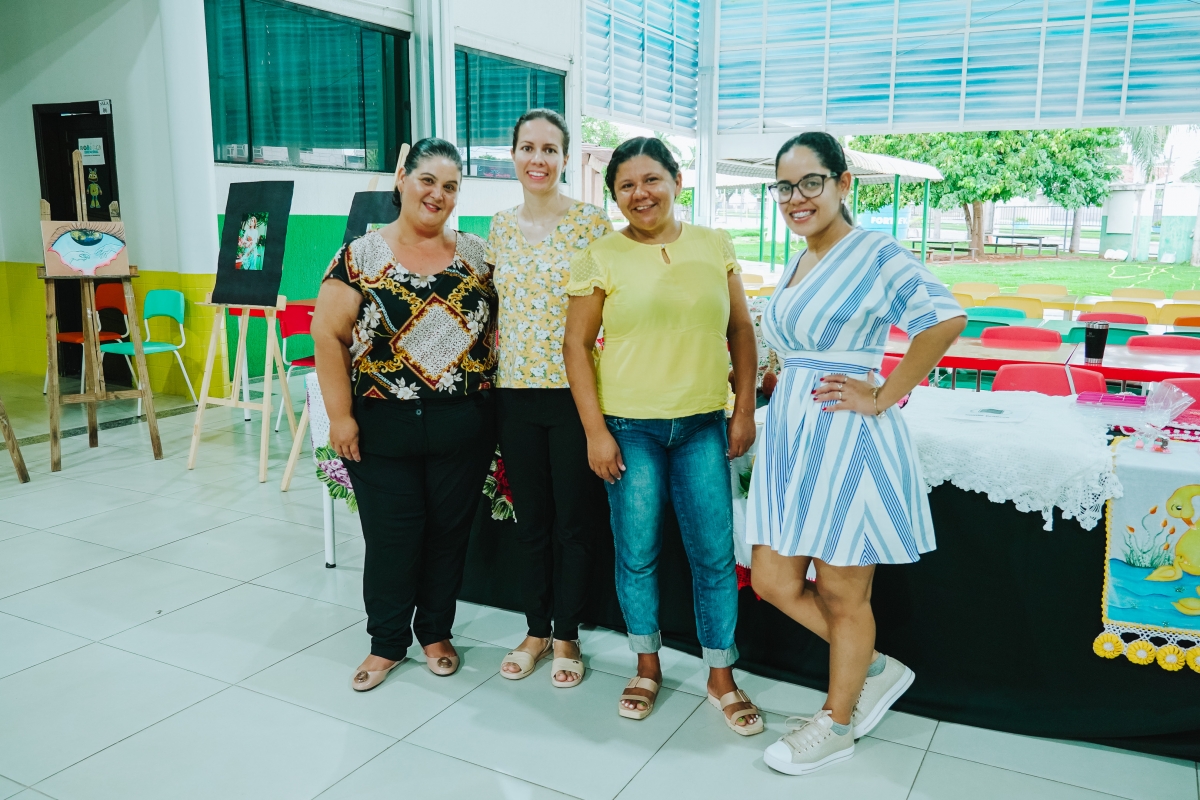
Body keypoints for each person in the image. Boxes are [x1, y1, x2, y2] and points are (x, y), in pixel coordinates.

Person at [745, 132, 965, 774]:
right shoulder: (802, 257)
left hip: (846, 437)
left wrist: (885, 392)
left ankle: (837, 723)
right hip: (793, 435)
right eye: (785, 187)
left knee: (844, 595)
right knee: (773, 580)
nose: (796, 198)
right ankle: (870, 665)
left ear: (843, 184)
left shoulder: (873, 250)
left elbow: (944, 317)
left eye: (811, 182)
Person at [563, 136, 764, 736]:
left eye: (651, 179)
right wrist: (595, 432)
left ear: (677, 180)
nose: (640, 194)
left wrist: (743, 409)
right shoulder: (600, 255)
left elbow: (741, 329)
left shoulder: (714, 244)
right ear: (615, 195)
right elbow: (575, 345)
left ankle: (721, 675)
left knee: (713, 554)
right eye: (626, 185)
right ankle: (646, 666)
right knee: (638, 552)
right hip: (630, 429)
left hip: (703, 423)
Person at [311, 137, 498, 693]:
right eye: (427, 180)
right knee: (392, 538)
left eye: (450, 186)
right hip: (381, 424)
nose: (437, 194)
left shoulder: (479, 256)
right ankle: (387, 642)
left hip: (463, 423)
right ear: (402, 179)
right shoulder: (359, 256)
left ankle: (435, 633)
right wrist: (340, 417)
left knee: (448, 535)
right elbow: (328, 336)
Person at [489, 110, 612, 687]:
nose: (537, 159)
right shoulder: (498, 227)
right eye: (527, 147)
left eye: (549, 149)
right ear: (513, 154)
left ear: (564, 158)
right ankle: (536, 630)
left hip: (573, 394)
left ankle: (567, 635)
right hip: (513, 393)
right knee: (532, 520)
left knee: (573, 524)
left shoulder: (591, 223)